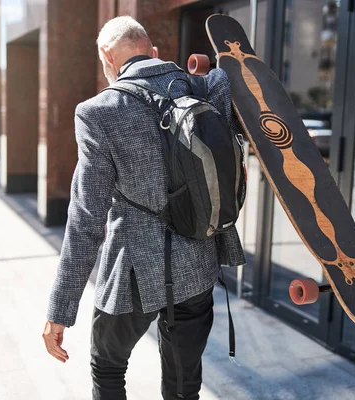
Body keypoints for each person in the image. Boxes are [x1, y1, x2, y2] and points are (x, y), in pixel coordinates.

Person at [42, 16, 246, 400]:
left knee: (107, 368)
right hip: (198, 264)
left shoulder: (97, 112)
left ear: (107, 55)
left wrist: (61, 308)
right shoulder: (205, 87)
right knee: (185, 388)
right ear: (153, 52)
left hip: (132, 275)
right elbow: (227, 75)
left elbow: (86, 220)